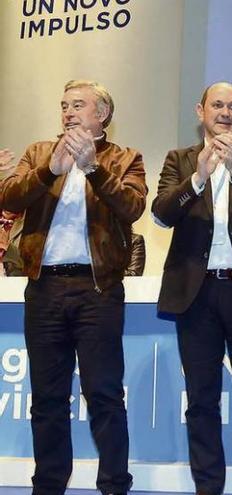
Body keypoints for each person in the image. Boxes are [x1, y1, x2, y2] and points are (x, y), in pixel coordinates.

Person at [0, 80, 146, 495]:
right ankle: (48, 486)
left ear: (102, 114)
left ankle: (115, 484)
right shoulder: (40, 153)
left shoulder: (124, 158)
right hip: (44, 288)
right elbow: (8, 197)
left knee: (103, 394)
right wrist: (52, 170)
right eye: (64, 105)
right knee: (46, 397)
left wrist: (94, 169)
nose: (67, 112)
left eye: (78, 105)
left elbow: (132, 207)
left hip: (96, 290)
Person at [151, 82, 232, 495]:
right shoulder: (180, 159)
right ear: (200, 110)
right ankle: (208, 487)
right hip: (197, 295)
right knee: (202, 400)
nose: (225, 112)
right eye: (217, 105)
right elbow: (161, 215)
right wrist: (198, 178)